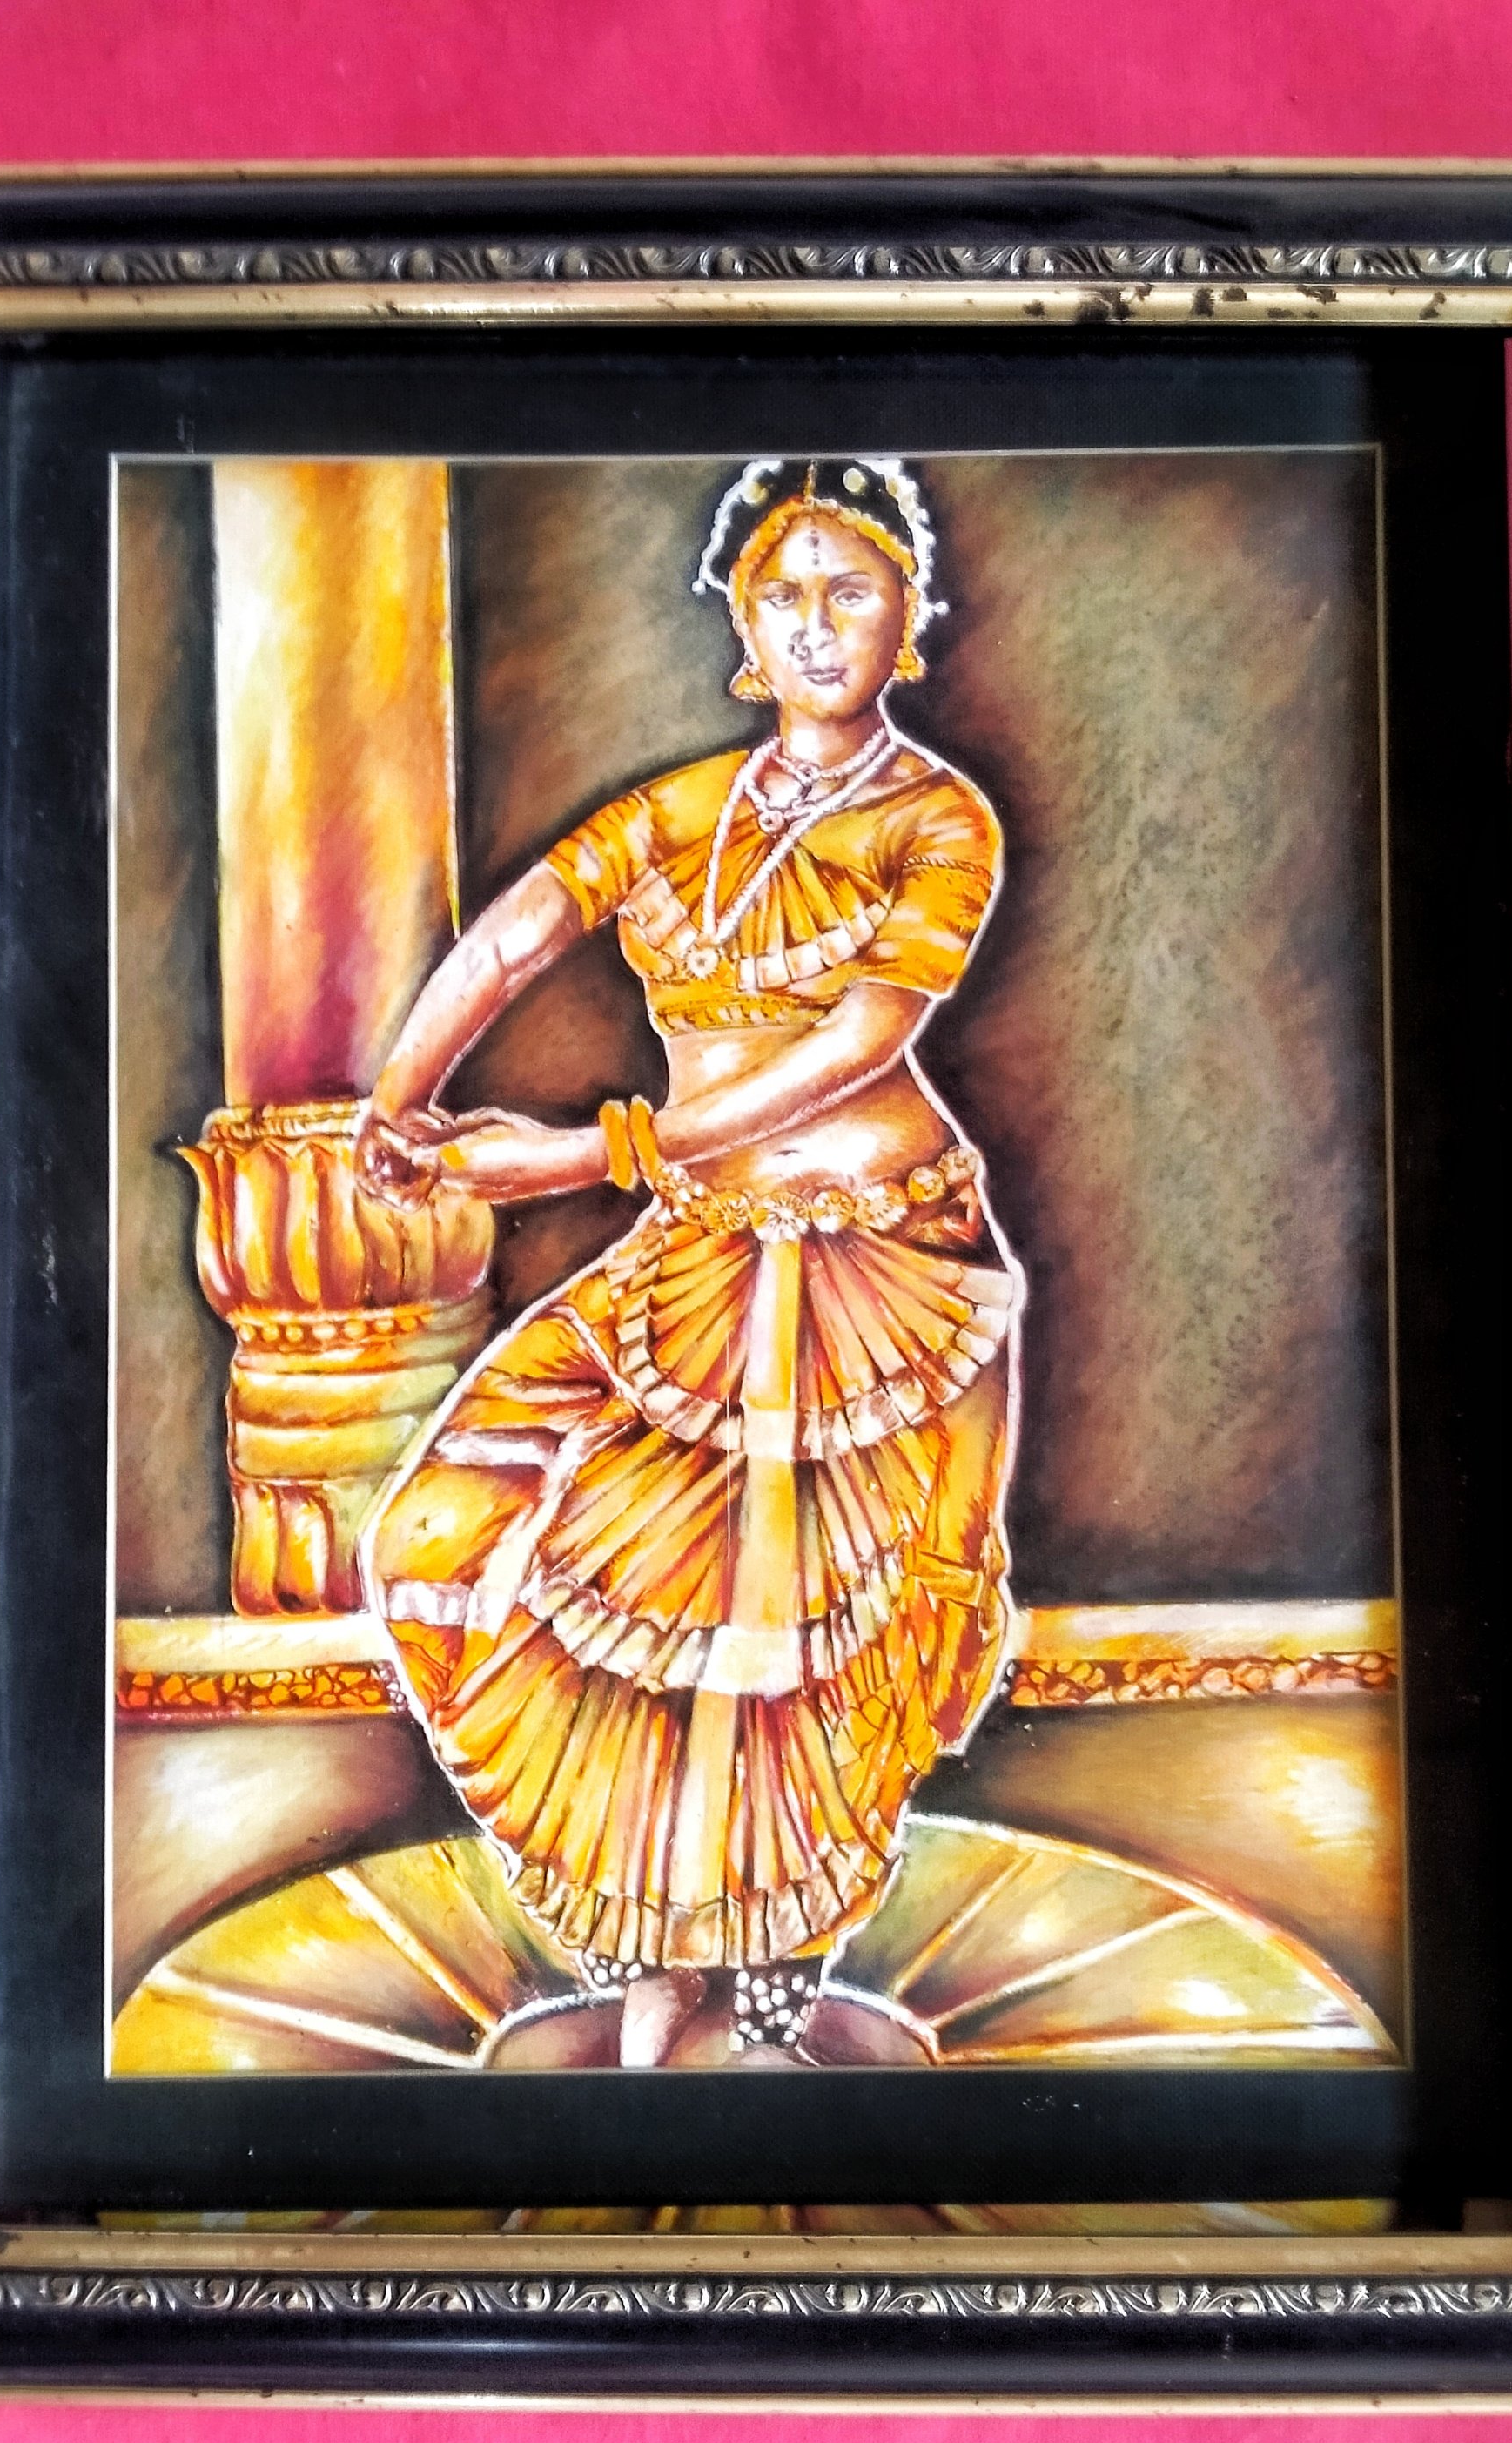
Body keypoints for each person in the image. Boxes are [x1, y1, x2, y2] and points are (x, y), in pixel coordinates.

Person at [356, 457, 1022, 2066]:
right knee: (448, 1539)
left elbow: (854, 1049)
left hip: (881, 1275)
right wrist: (400, 1094)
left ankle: (749, 1977)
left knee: (789, 1644)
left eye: (849, 591)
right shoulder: (681, 813)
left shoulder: (937, 820)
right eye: (781, 594)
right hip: (697, 1254)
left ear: (911, 616)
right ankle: (668, 1952)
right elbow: (518, 933)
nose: (814, 625)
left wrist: (582, 1156)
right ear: (739, 620)